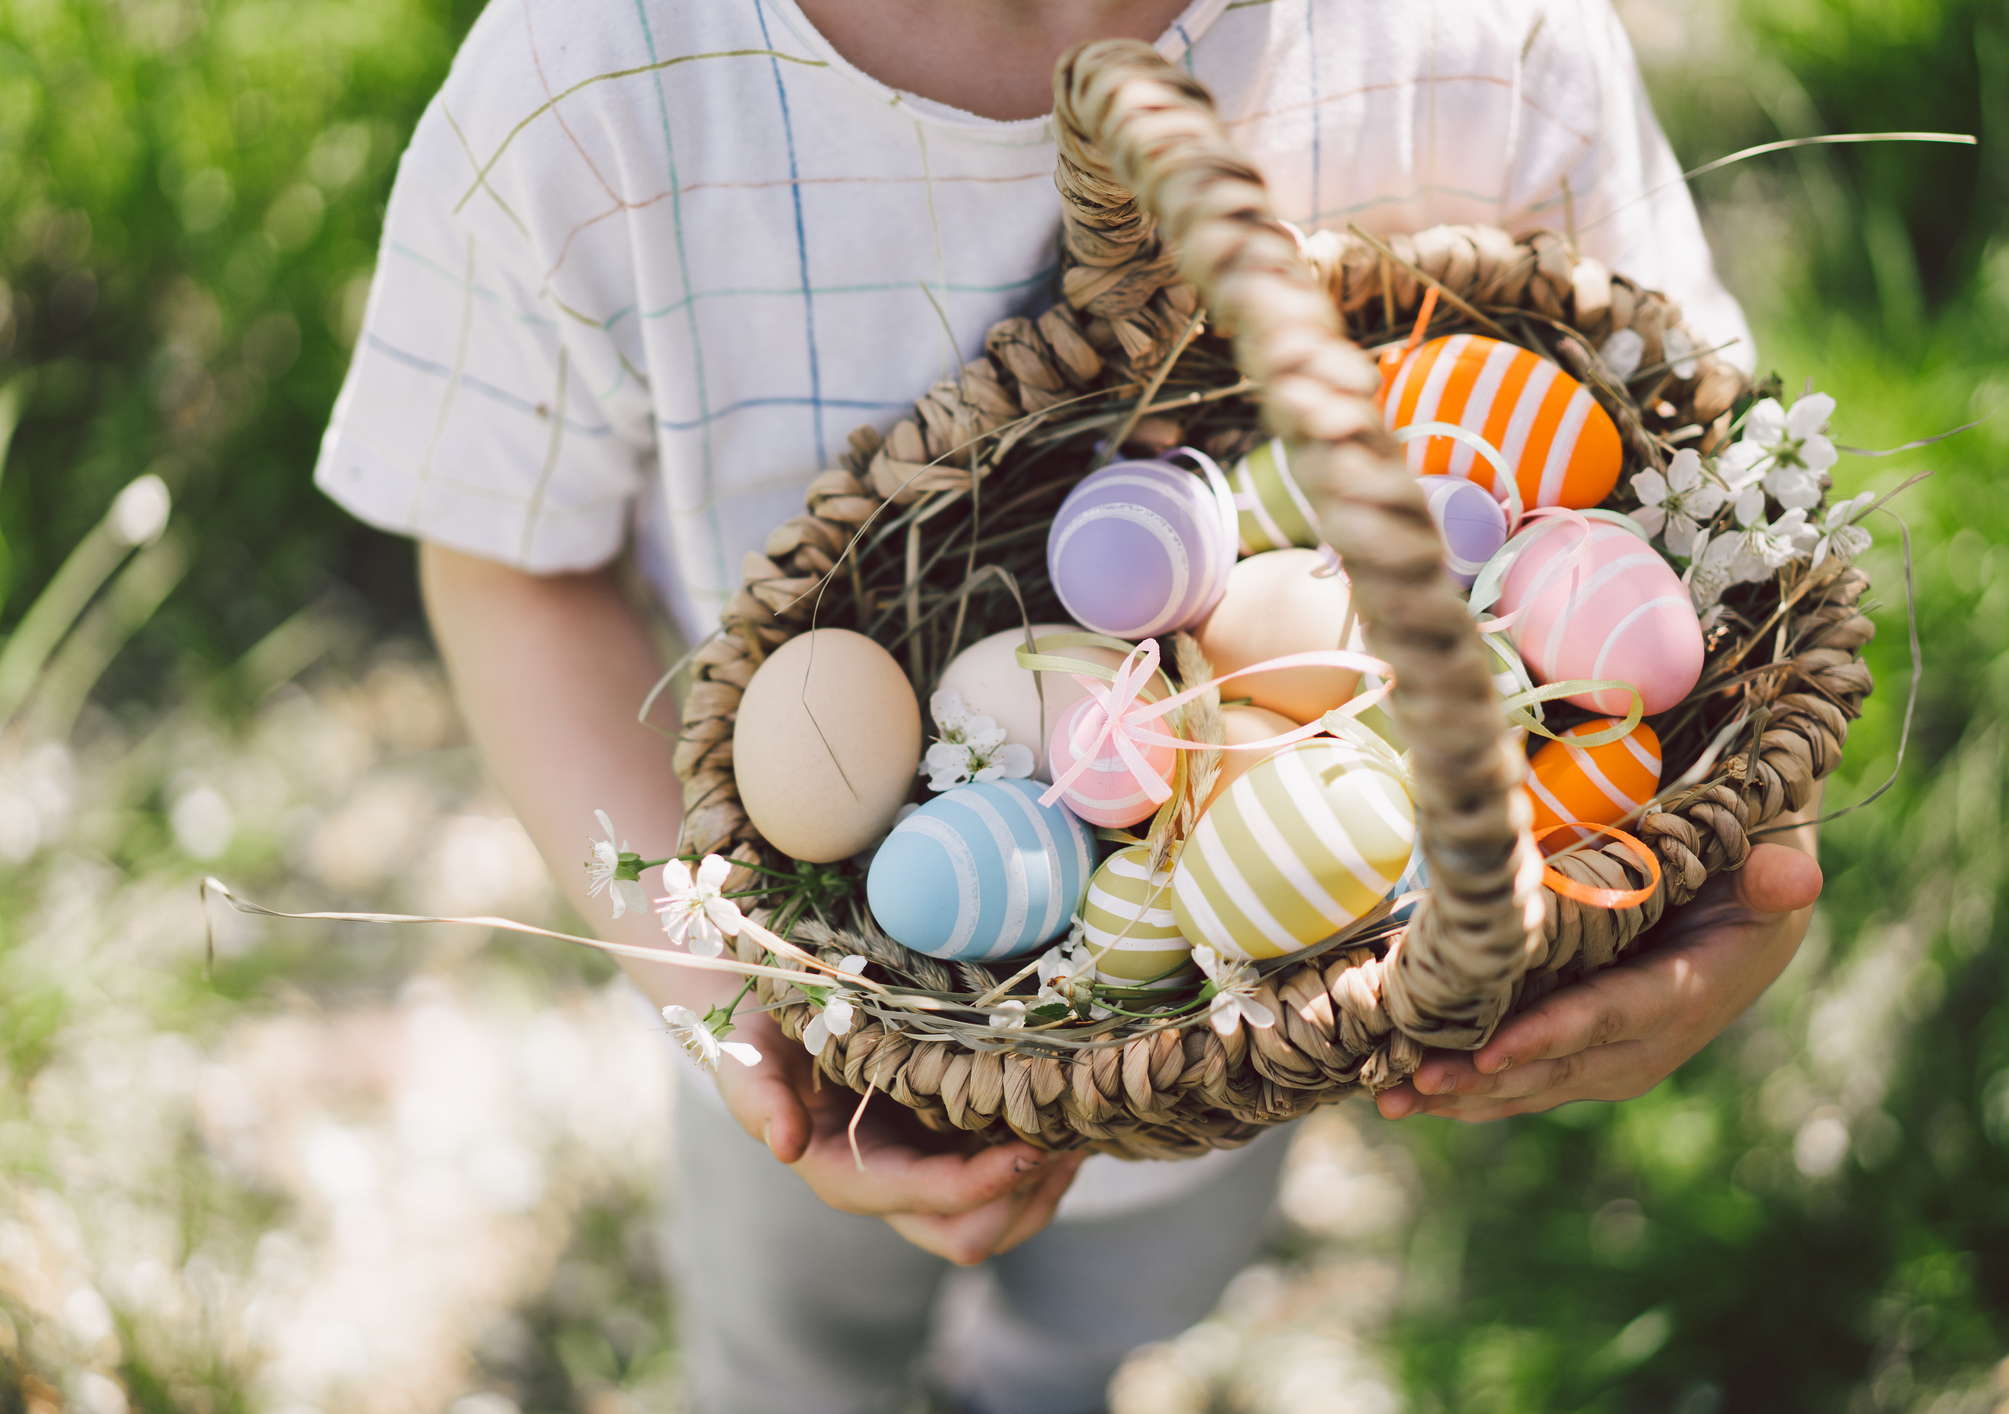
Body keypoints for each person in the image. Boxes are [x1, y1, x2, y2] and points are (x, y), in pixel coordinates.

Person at [315, 1, 1825, 1408]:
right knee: (792, 1334)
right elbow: (514, 570)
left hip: (1257, 1045)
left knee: (1126, 1294)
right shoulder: (592, 86)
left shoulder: (1483, 42)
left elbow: (1693, 500)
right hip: (822, 1027)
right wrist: (733, 1008)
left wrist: (1724, 907)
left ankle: (1040, 1376)